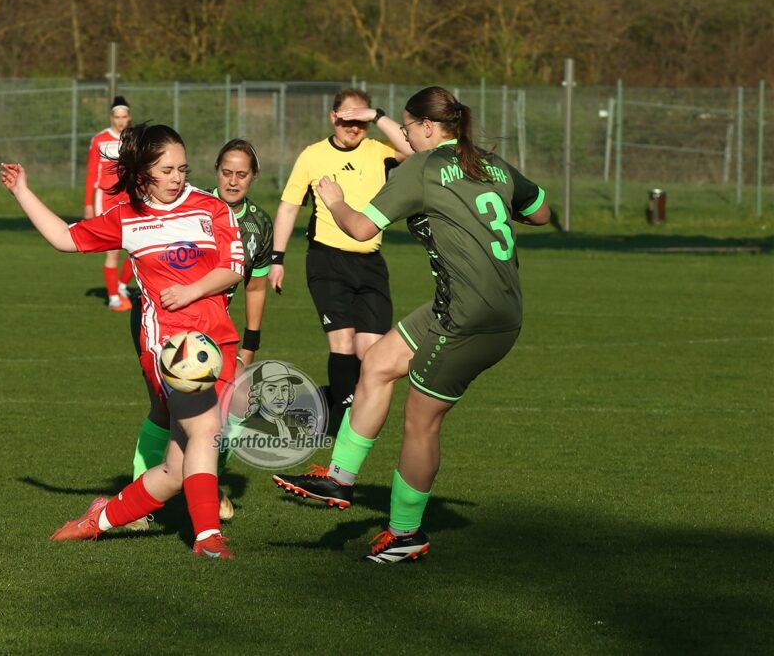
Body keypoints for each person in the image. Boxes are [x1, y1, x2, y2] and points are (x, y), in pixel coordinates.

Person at [271, 87, 551, 563]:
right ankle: (339, 478)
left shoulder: (423, 168)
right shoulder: (490, 164)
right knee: (378, 362)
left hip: (469, 317)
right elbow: (541, 212)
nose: (403, 137)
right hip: (481, 306)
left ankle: (406, 534)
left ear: (425, 127)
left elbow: (361, 228)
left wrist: (334, 200)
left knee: (421, 422)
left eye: (406, 128)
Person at [1, 122, 245, 560]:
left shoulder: (212, 209)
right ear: (143, 173)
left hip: (218, 340)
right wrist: (22, 191)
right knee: (206, 429)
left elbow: (233, 269)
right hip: (169, 343)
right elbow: (64, 238)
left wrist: (191, 291)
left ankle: (96, 521)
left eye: (182, 169)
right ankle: (208, 538)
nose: (176, 178)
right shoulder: (128, 217)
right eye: (166, 170)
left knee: (177, 470)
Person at [125, 139, 273, 525]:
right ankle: (142, 497)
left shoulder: (259, 224)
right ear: (215, 172)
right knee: (166, 410)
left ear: (254, 177)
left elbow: (255, 287)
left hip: (213, 327)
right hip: (167, 320)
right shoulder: (194, 205)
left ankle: (207, 481)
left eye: (242, 174)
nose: (233, 181)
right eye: (226, 173)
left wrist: (250, 345)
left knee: (232, 407)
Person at [269, 88, 411, 434]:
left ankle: (325, 401)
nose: (353, 126)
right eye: (347, 118)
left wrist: (377, 116)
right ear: (333, 117)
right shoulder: (312, 155)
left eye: (360, 120)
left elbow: (413, 149)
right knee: (343, 343)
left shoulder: (379, 151)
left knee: (371, 355)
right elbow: (288, 207)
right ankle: (345, 427)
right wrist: (277, 258)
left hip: (371, 264)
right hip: (327, 262)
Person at [85, 96, 135, 311]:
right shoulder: (100, 140)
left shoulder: (134, 140)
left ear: (129, 117)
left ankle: (121, 286)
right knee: (113, 250)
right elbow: (91, 173)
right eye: (117, 117)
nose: (120, 121)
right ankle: (114, 298)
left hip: (129, 198)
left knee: (136, 247)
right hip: (106, 199)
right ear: (111, 117)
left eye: (124, 117)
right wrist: (88, 203)